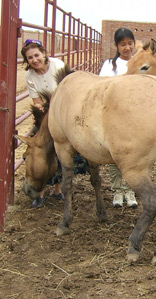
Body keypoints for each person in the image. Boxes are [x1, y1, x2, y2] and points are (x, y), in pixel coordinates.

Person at [21, 39, 89, 208]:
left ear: (44, 53)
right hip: (47, 112)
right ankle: (41, 192)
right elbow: (37, 100)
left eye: (36, 55)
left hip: (64, 110)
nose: (34, 60)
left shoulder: (57, 65)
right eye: (30, 58)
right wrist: (44, 111)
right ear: (27, 60)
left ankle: (58, 189)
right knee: (41, 150)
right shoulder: (30, 75)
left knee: (62, 150)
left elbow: (70, 90)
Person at [99, 28, 138, 208]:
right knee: (115, 155)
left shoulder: (140, 63)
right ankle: (116, 191)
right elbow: (102, 87)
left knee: (135, 155)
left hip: (136, 116)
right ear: (116, 46)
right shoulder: (109, 65)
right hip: (114, 116)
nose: (127, 47)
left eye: (130, 43)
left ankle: (130, 190)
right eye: (123, 44)